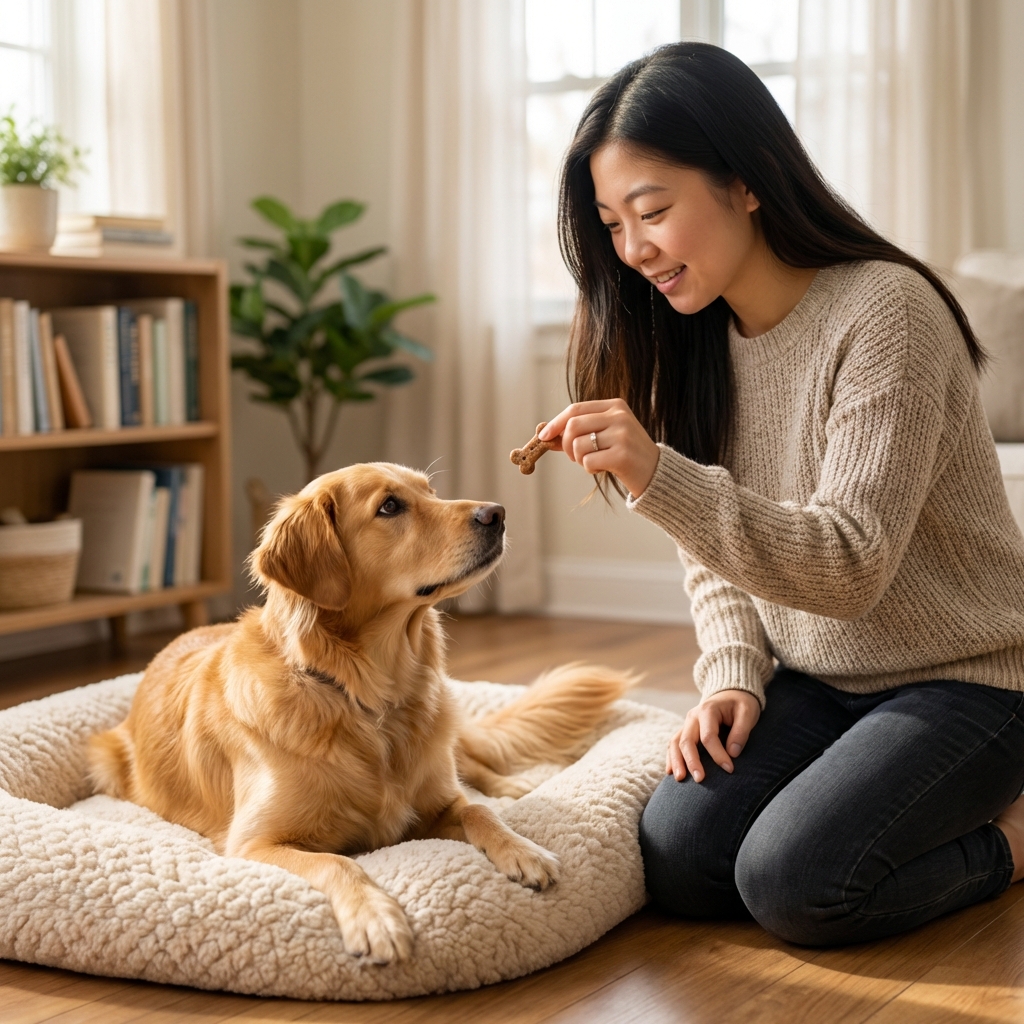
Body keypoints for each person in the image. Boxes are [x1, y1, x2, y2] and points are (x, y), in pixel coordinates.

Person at [538, 41, 1024, 946]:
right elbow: (715, 553)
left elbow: (850, 567)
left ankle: (1011, 838)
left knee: (795, 881)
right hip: (820, 678)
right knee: (680, 856)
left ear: (746, 181)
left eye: (652, 211)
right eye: (611, 223)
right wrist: (735, 673)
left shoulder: (886, 312)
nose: (634, 249)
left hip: (972, 679)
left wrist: (659, 475)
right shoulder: (694, 340)